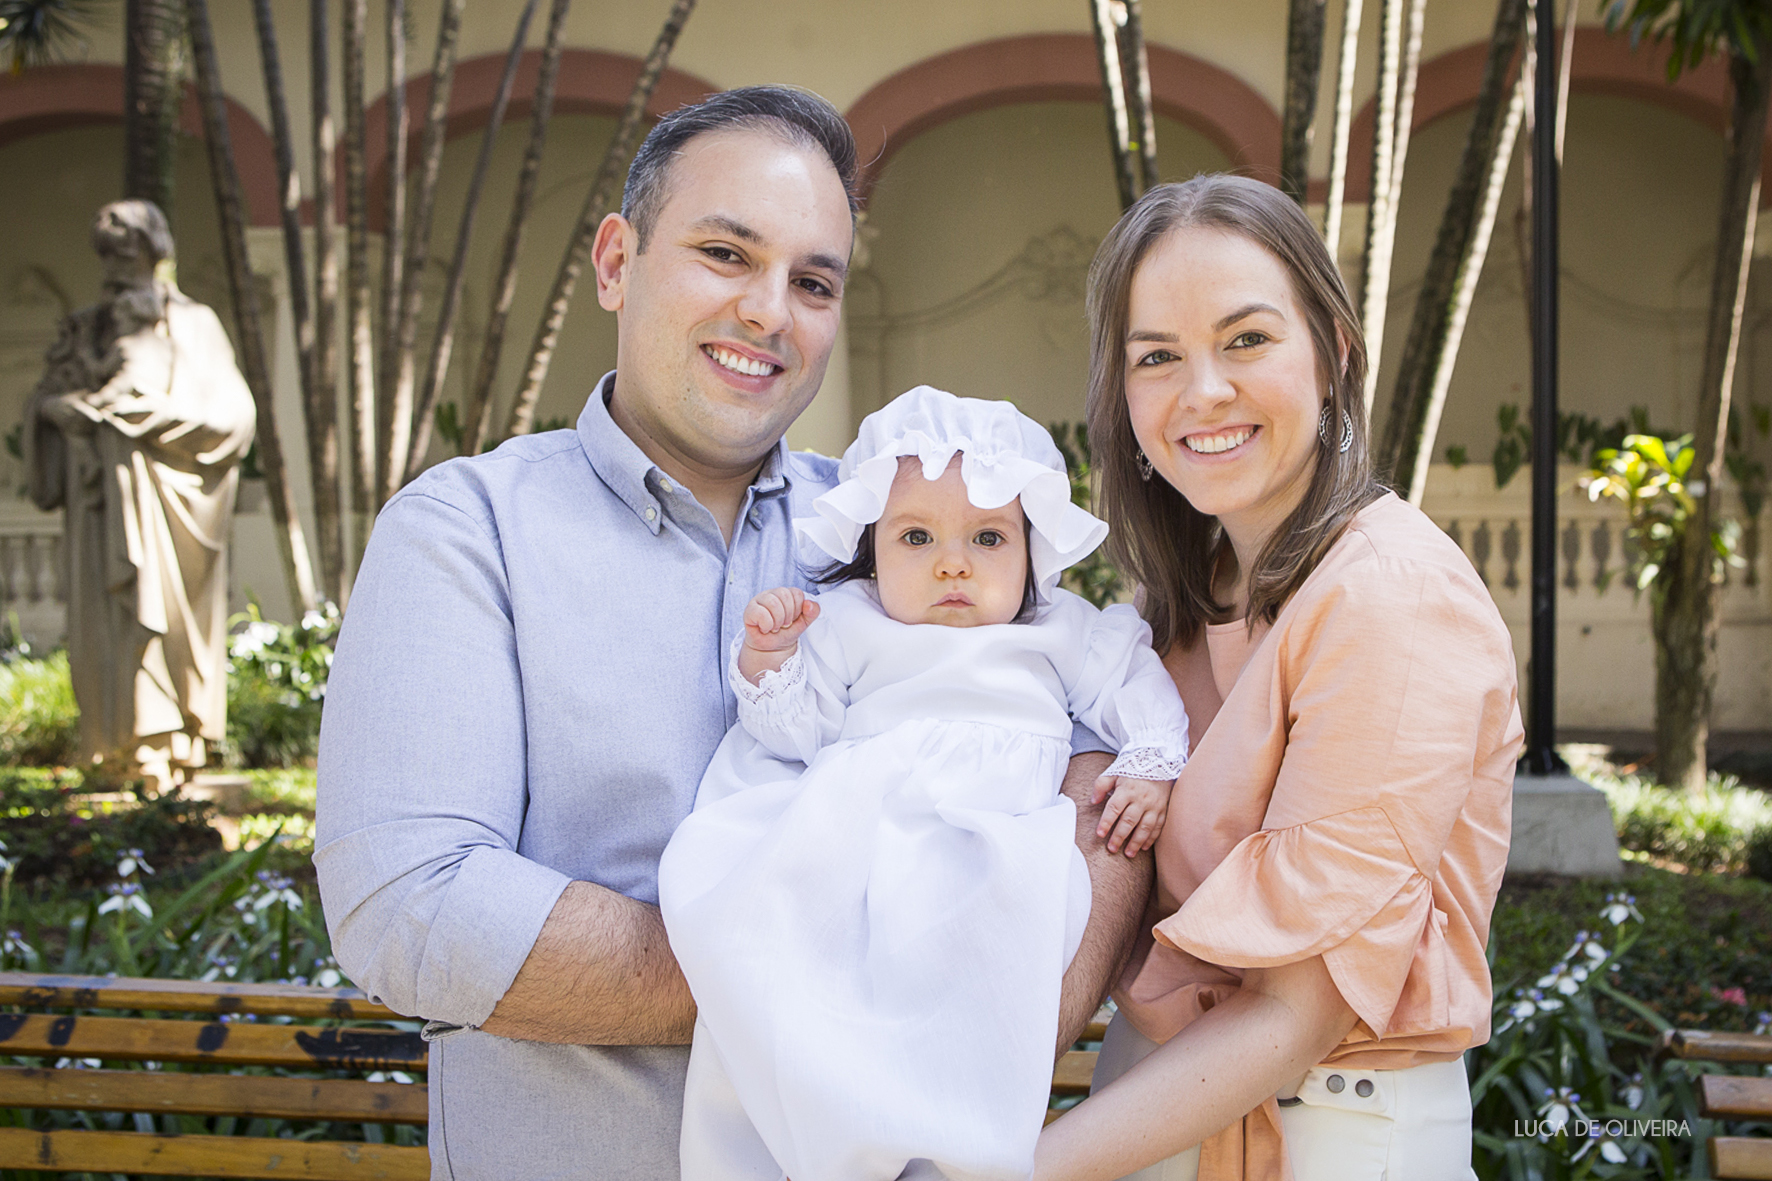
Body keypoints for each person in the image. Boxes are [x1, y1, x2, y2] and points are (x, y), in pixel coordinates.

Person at [314, 87, 1150, 1180]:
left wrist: (1023, 995)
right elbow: (411, 900)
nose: (769, 310)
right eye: (724, 252)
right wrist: (835, 976)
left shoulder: (899, 537)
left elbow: (1098, 757)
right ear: (615, 262)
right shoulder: (468, 530)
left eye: (812, 281)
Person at [1031, 176, 1521, 1181]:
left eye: (1245, 339)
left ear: (1331, 351)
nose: (1200, 390)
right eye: (1156, 356)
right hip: (1142, 1116)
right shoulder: (1165, 607)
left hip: (1328, 1134)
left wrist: (1003, 1169)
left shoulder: (1392, 595)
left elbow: (1296, 1011)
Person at [660, 387, 1189, 1181]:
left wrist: (1149, 760)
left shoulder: (1060, 630)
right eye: (917, 536)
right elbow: (795, 731)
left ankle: (940, 1151)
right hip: (863, 836)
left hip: (996, 846)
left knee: (978, 976)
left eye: (987, 537)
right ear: (872, 547)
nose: (953, 562)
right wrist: (772, 661)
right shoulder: (848, 618)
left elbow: (1133, 685)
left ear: (1031, 549)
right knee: (797, 958)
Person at [24, 199, 257, 792]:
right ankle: (112, 747)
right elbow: (43, 401)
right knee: (107, 622)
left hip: (166, 502)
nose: (117, 263)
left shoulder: (194, 324)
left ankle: (169, 746)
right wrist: (61, 413)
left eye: (128, 249)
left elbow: (234, 417)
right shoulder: (86, 327)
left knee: (159, 618)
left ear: (156, 250)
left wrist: (157, 419)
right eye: (107, 252)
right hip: (101, 508)